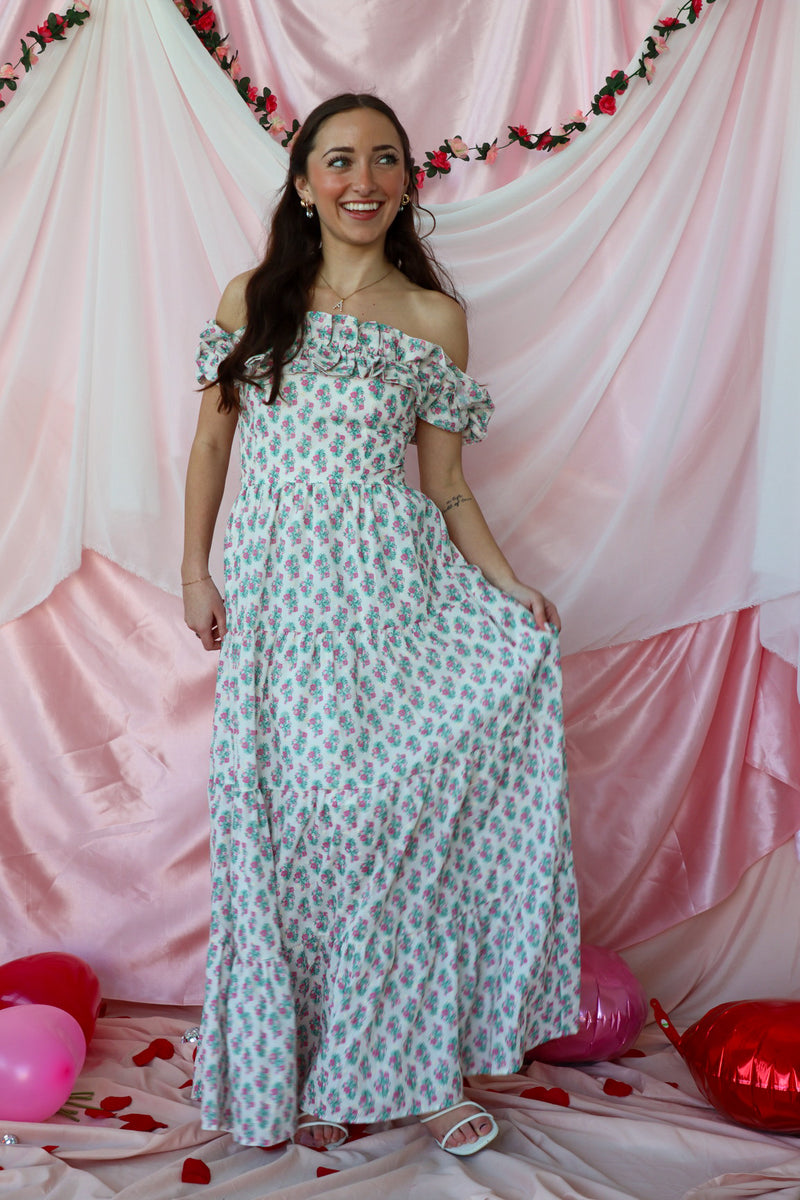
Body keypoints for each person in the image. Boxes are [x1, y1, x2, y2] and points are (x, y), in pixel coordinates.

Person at [182, 92, 580, 1157]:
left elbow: (446, 488)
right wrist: (194, 570)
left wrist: (506, 589)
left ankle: (417, 1065)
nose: (363, 179)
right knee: (295, 833)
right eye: (339, 159)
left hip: (392, 605)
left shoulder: (430, 318)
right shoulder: (252, 297)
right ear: (305, 181)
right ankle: (301, 1064)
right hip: (282, 609)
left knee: (389, 834)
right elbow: (213, 445)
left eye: (385, 161)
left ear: (408, 182)